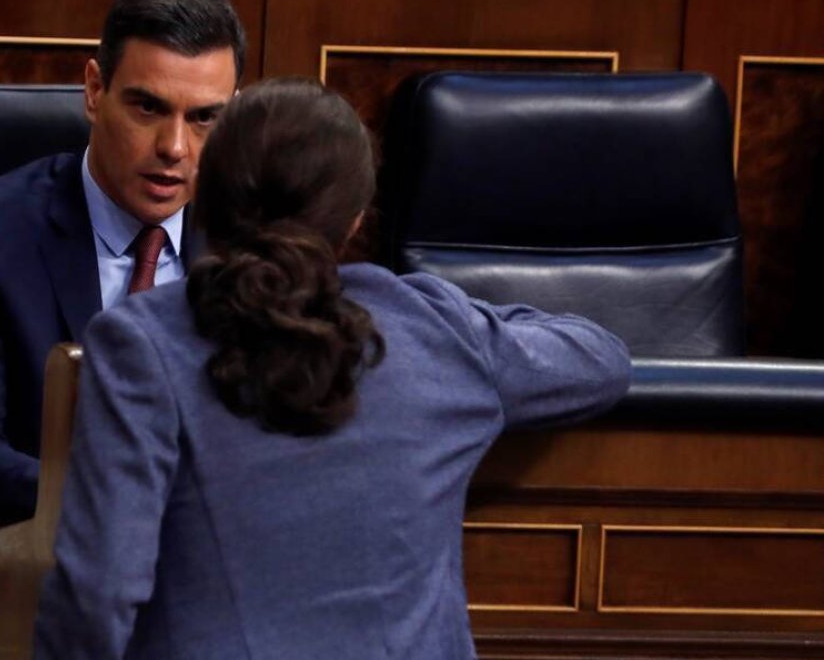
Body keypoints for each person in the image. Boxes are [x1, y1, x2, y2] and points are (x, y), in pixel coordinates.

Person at [33, 78, 631, 659]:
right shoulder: (436, 325)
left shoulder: (139, 344)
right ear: (353, 220)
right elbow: (601, 358)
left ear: (207, 199)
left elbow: (98, 595)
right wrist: (466, 315)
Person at [0, 0, 245, 529]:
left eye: (204, 118)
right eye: (148, 107)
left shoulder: (247, 246)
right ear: (94, 90)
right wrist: (127, 505)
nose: (175, 147)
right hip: (44, 574)